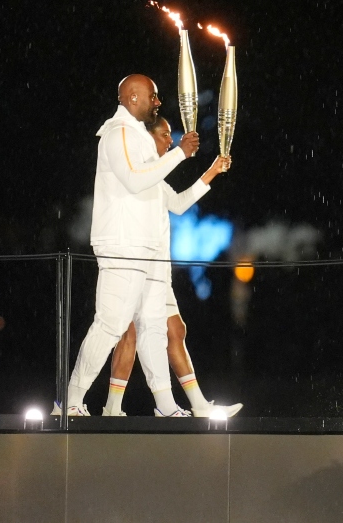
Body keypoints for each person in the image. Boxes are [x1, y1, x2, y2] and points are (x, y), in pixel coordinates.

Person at [55, 74, 200, 417]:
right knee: (109, 324)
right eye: (154, 96)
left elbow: (162, 193)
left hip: (147, 249)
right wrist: (179, 153)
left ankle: (166, 405)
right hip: (123, 245)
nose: (159, 102)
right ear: (133, 98)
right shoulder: (117, 133)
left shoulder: (139, 137)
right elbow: (135, 180)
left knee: (153, 328)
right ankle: (68, 400)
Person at [102, 116, 243, 418]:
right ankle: (112, 408)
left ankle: (199, 405)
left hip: (157, 273)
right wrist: (182, 153)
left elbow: (178, 204)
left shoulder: (155, 178)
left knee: (175, 330)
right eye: (164, 136)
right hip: (134, 268)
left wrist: (212, 171)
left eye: (170, 136)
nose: (170, 141)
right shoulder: (134, 174)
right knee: (129, 335)